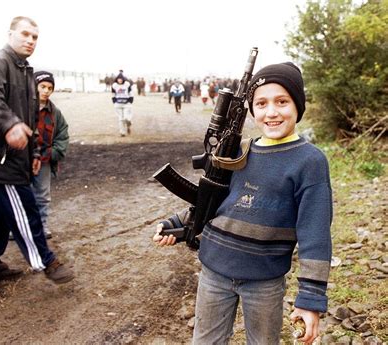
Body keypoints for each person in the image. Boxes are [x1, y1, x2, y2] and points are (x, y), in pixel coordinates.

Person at [153, 62, 332, 345]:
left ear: (298, 105)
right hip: (214, 271)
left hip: (264, 281)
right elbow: (214, 198)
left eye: (282, 101)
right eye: (261, 103)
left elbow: (316, 235)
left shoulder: (309, 162)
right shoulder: (238, 152)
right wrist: (177, 224)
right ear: (251, 109)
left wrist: (310, 298)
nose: (271, 112)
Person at [0, 16, 73, 285]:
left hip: (18, 156)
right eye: (25, 34)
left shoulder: (25, 71)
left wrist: (35, 153)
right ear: (10, 34)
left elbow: (29, 119)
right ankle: (46, 261)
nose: (30, 40)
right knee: (26, 209)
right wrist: (9, 124)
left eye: (35, 37)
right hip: (0, 158)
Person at [32, 71, 70, 239]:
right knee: (21, 194)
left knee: (42, 195)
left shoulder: (55, 113)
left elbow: (63, 135)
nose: (46, 91)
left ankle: (41, 225)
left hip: (45, 160)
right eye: (43, 86)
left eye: (50, 88)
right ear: (34, 87)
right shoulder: (23, 108)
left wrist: (53, 153)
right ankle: (18, 226)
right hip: (22, 160)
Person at [111, 71, 133, 137]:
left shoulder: (127, 84)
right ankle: (122, 132)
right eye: (118, 79)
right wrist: (114, 100)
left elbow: (131, 92)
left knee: (126, 117)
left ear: (123, 79)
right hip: (118, 104)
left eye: (121, 79)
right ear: (117, 79)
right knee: (120, 119)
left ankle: (129, 123)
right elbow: (113, 94)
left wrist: (131, 99)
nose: (120, 80)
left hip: (126, 103)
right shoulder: (114, 85)